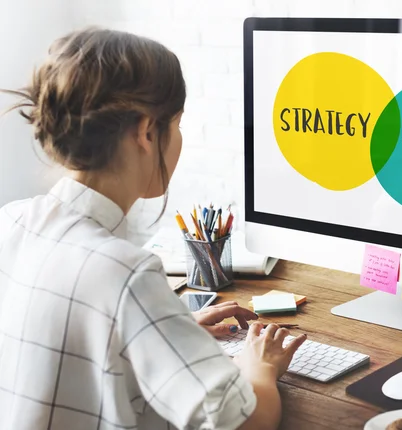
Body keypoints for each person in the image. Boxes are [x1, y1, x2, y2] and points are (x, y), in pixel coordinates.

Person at [0, 27, 306, 430]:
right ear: (146, 132)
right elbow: (246, 422)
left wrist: (165, 330)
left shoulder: (11, 221)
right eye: (176, 124)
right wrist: (259, 366)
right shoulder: (126, 273)